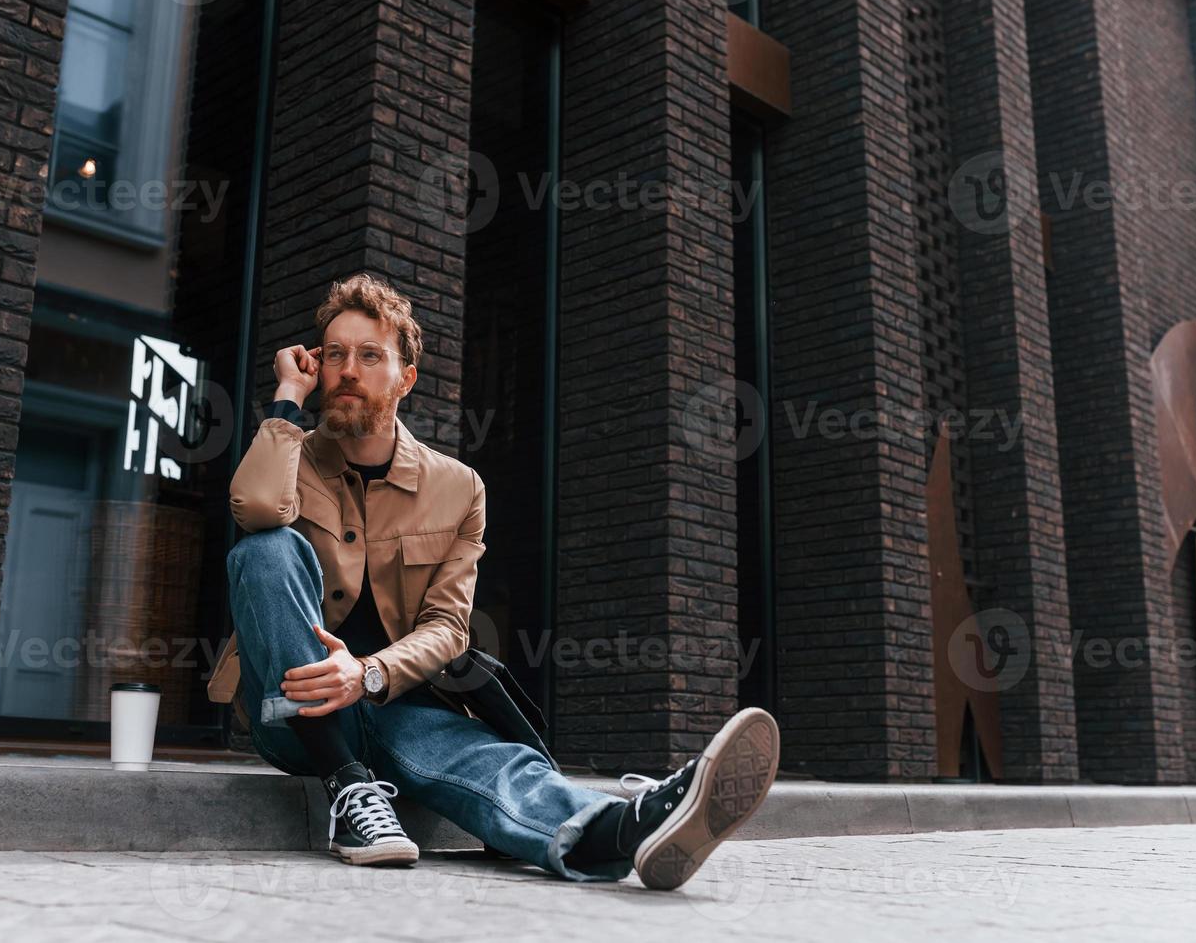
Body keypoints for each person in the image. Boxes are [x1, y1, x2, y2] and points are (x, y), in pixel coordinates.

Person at [220, 272, 780, 888]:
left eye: (369, 355)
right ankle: (349, 788)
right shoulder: (290, 454)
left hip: (395, 702)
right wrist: (286, 399)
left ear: (406, 377)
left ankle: (628, 828)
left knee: (493, 762)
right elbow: (254, 509)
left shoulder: (458, 487)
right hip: (293, 713)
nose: (347, 370)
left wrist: (369, 673)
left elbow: (448, 629)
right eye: (333, 355)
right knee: (265, 552)